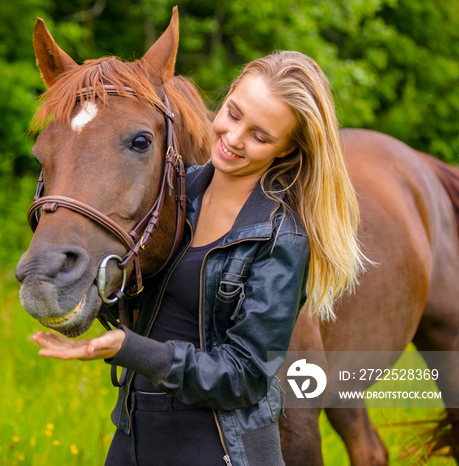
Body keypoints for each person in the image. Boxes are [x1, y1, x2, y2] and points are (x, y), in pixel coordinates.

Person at [32, 51, 366, 465]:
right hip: (137, 436)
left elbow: (245, 375)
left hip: (222, 448)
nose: (233, 137)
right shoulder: (174, 196)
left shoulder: (282, 237)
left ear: (287, 149)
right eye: (233, 112)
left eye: (260, 136)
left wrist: (129, 348)